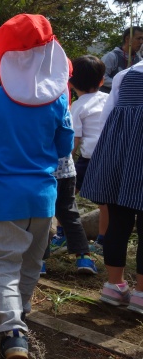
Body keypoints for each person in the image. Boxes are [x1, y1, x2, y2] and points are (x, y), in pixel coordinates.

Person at [0, 14, 73, 359]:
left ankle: (12, 329)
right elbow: (64, 147)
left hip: (3, 200)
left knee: (1, 265)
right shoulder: (59, 100)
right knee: (29, 264)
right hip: (43, 199)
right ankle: (20, 311)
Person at [80, 59, 143, 315]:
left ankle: (114, 286)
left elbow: (107, 120)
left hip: (120, 158)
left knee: (118, 222)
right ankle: (140, 294)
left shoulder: (125, 76)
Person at [69, 55, 109, 253]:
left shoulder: (77, 106)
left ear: (70, 81)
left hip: (88, 159)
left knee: (66, 196)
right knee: (105, 203)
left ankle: (61, 232)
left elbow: (74, 140)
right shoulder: (110, 100)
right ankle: (102, 241)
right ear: (101, 81)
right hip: (109, 157)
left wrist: (67, 159)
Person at [99, 26, 142, 92]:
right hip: (110, 99)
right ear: (127, 39)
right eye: (138, 38)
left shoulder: (139, 60)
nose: (141, 42)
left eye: (142, 39)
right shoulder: (112, 57)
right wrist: (122, 84)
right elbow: (101, 78)